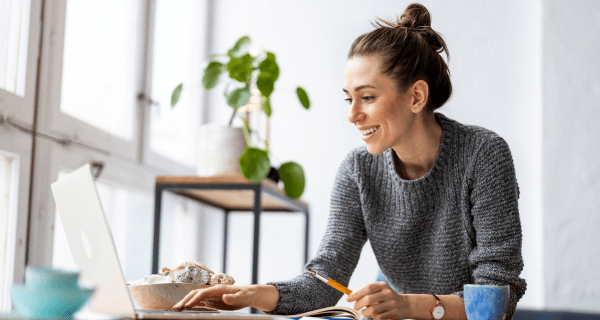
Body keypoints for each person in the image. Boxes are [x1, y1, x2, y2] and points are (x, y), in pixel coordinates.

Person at [173, 3, 527, 319]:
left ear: (416, 96)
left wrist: (408, 305)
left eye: (368, 97)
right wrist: (255, 295)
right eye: (349, 100)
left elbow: (495, 299)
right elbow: (326, 279)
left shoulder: (483, 154)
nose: (354, 115)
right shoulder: (358, 170)